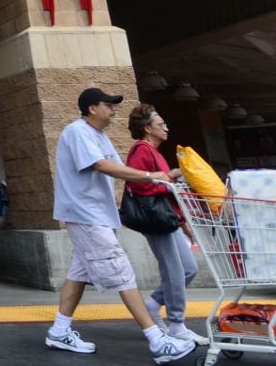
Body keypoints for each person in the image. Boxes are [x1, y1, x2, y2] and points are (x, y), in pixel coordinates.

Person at [47, 88, 196, 363]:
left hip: (97, 215)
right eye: (109, 104)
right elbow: (102, 166)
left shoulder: (99, 136)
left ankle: (59, 330)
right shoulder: (77, 132)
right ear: (92, 108)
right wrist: (152, 176)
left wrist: (168, 175)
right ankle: (157, 339)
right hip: (86, 215)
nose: (114, 109)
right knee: (122, 273)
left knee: (78, 274)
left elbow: (124, 170)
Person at [126, 104, 208, 346]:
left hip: (167, 218)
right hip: (156, 220)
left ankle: (153, 305)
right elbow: (137, 185)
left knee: (188, 269)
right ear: (147, 128)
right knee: (174, 271)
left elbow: (167, 193)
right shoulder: (141, 150)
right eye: (161, 125)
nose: (166, 128)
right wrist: (169, 179)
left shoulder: (156, 153)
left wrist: (183, 221)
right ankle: (176, 324)